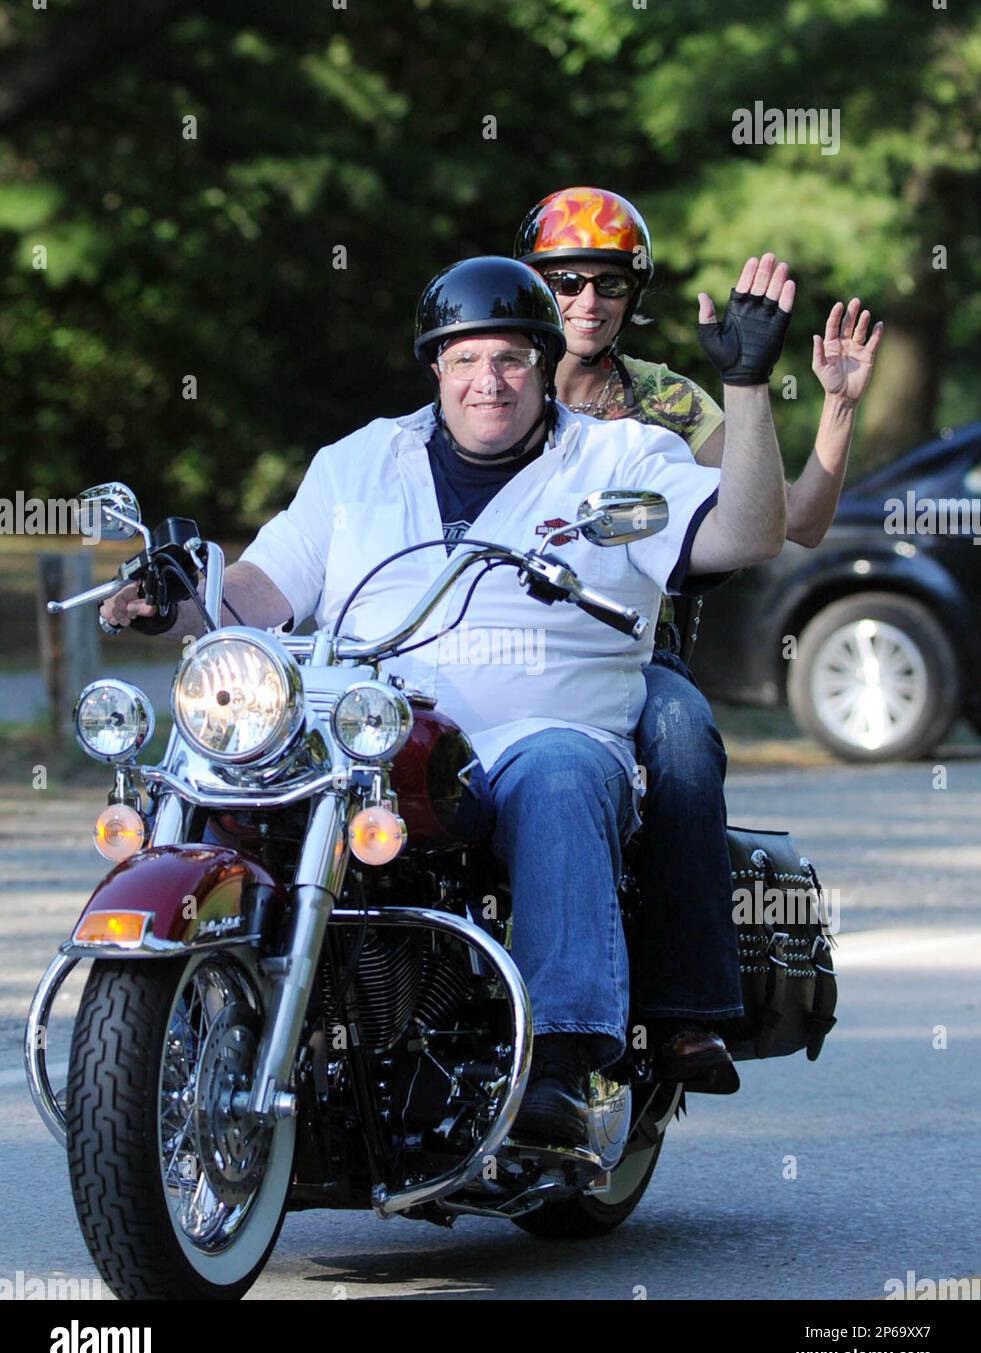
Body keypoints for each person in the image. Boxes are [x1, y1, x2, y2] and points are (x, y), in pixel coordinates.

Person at [101, 255, 792, 1147]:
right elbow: (261, 591)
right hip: (366, 736)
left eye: (510, 359)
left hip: (537, 734)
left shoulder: (623, 459)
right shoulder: (358, 463)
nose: (488, 382)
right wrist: (173, 597)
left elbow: (749, 531)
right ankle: (191, 1014)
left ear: (545, 364)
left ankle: (560, 1062)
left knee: (559, 771)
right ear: (435, 365)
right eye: (465, 360)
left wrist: (745, 385)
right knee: (219, 767)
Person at [515, 187, 883, 1078]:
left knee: (679, 736)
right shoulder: (491, 387)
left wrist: (835, 408)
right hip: (486, 644)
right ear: (530, 288)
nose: (585, 302)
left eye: (607, 283)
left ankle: (686, 1009)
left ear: (633, 295)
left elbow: (790, 522)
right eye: (563, 282)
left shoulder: (668, 405)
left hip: (630, 650)